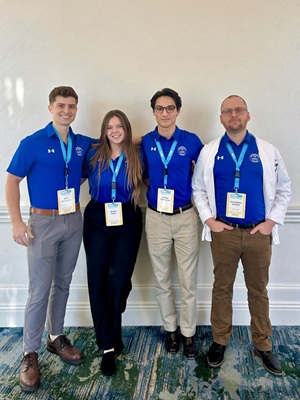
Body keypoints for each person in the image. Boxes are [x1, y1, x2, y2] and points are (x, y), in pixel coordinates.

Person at [192, 95, 291, 375]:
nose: (233, 115)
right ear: (221, 118)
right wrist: (209, 220)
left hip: (258, 233)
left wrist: (271, 223)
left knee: (258, 290)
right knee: (221, 288)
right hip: (225, 233)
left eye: (238, 110)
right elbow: (198, 188)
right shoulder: (210, 152)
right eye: (227, 111)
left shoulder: (267, 151)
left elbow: (284, 188)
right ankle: (219, 341)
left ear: (248, 115)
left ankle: (263, 344)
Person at [5, 86, 93, 392]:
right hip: (42, 222)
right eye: (60, 105)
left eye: (71, 106)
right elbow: (12, 182)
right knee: (39, 289)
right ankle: (30, 353)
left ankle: (56, 338)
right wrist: (17, 221)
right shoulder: (32, 143)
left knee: (64, 282)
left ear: (76, 109)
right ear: (50, 108)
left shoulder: (82, 144)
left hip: (74, 220)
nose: (66, 110)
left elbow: (115, 141)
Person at [140, 88, 204, 359]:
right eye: (159, 108)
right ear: (153, 111)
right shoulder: (145, 142)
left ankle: (188, 333)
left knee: (188, 280)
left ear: (178, 110)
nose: (164, 113)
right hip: (155, 217)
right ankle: (171, 330)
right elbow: (142, 175)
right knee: (162, 278)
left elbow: (202, 177)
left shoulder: (191, 141)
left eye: (170, 108)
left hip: (186, 216)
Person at [82, 110, 143, 376]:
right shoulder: (92, 153)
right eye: (110, 127)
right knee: (98, 281)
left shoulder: (138, 155)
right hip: (96, 217)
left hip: (127, 217)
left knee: (118, 281)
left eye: (120, 126)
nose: (115, 131)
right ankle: (107, 345)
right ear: (104, 131)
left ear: (127, 130)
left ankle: (112, 320)